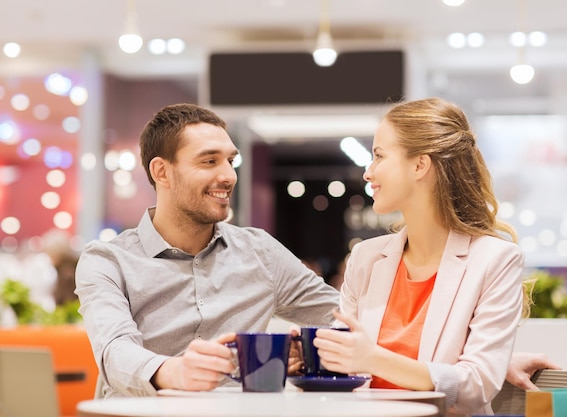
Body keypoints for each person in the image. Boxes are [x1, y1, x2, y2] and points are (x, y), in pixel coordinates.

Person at [74, 103, 339, 398]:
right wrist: (175, 372)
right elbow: (114, 351)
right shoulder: (108, 260)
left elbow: (343, 317)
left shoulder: (260, 252)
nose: (229, 176)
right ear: (162, 172)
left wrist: (309, 349)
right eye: (209, 161)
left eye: (230, 161)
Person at [313, 97, 526, 417]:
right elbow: (345, 370)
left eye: (379, 156)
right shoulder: (366, 258)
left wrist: (372, 358)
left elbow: (475, 386)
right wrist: (312, 357)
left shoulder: (495, 260)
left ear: (419, 165)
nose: (368, 172)